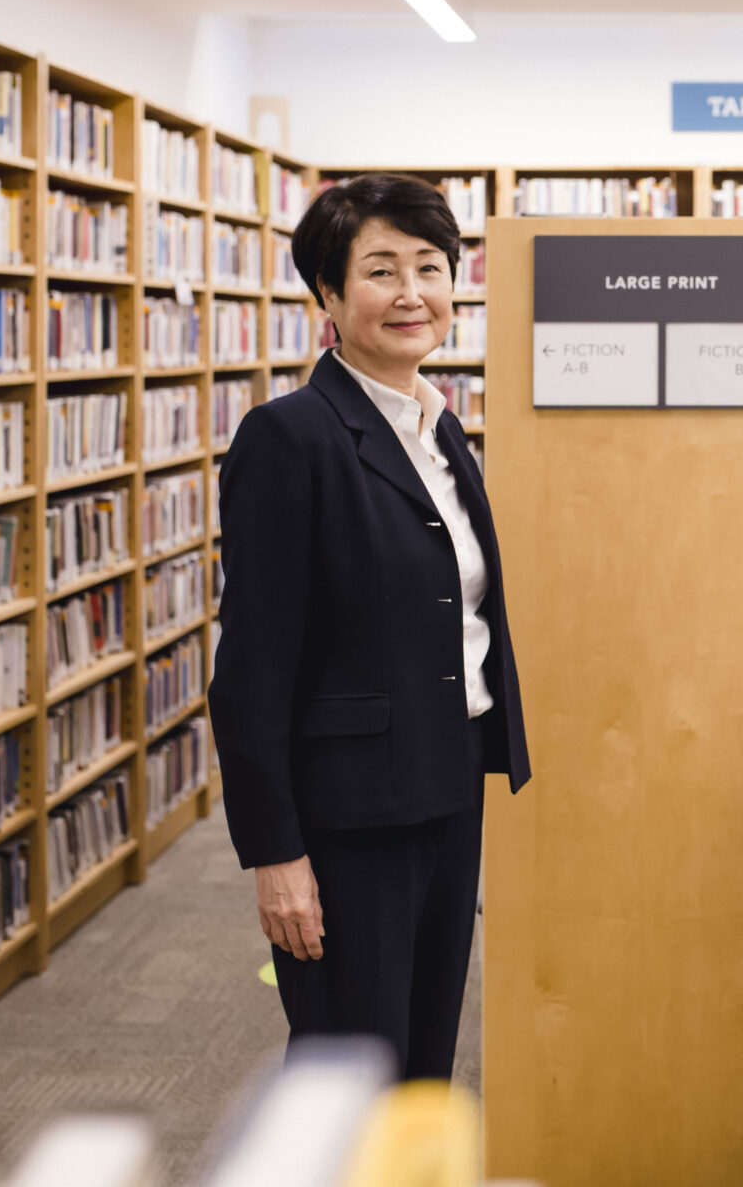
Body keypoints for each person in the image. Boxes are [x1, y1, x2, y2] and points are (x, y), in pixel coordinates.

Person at [208, 172, 529, 1079]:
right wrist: (277, 854)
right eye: (381, 270)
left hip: (448, 784)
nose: (411, 293)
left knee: (423, 1065)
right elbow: (253, 670)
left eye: (431, 267)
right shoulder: (291, 437)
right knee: (350, 1073)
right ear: (328, 294)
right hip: (350, 814)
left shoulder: (438, 427)